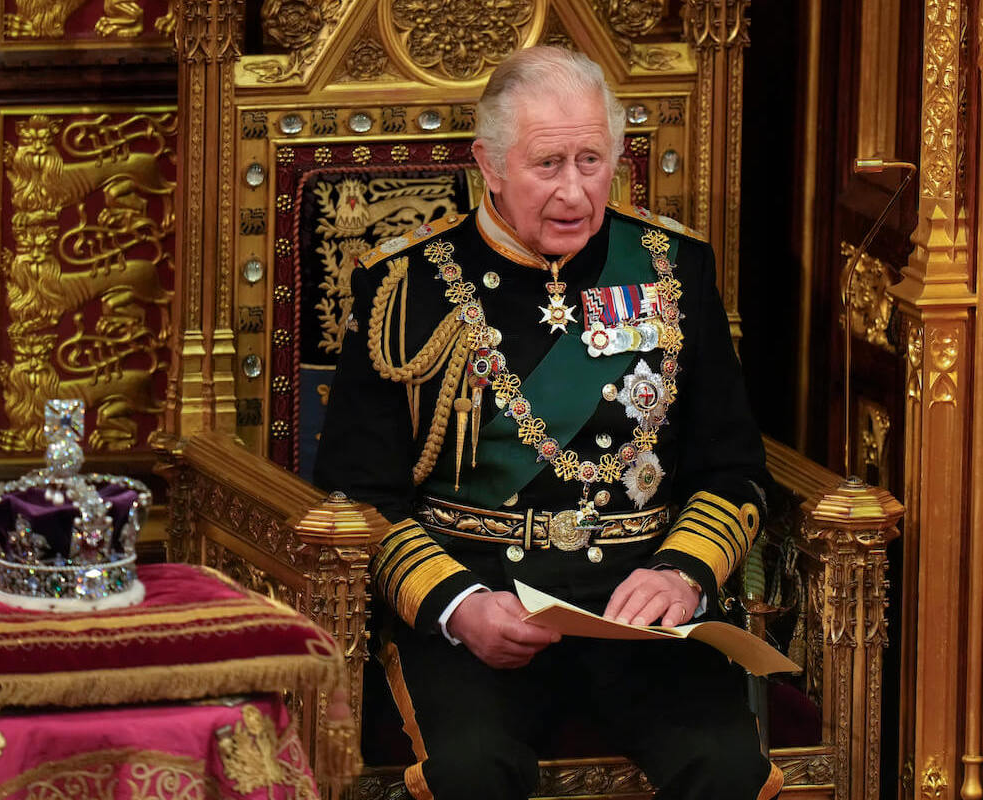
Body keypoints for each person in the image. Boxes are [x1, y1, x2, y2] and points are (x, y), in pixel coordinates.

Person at [314, 46, 781, 800]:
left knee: (727, 769)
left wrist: (683, 572)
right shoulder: (406, 285)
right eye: (548, 165)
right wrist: (457, 605)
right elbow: (356, 496)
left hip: (643, 613)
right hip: (483, 609)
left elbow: (731, 466)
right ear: (488, 165)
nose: (575, 193)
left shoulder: (672, 267)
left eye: (592, 161)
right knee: (470, 773)